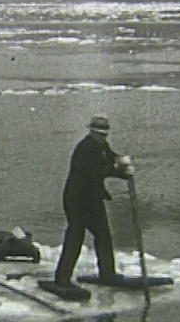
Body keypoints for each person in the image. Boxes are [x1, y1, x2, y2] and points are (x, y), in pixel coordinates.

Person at [54, 115, 134, 287]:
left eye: (105, 134)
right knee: (75, 236)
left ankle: (107, 274)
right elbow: (98, 170)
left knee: (103, 235)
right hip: (77, 200)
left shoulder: (101, 145)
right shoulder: (85, 148)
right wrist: (119, 172)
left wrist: (122, 161)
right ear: (92, 132)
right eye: (99, 134)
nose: (103, 137)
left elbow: (110, 157)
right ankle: (62, 279)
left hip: (93, 198)